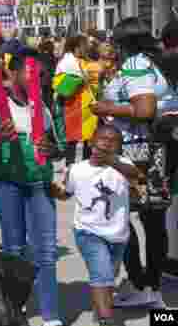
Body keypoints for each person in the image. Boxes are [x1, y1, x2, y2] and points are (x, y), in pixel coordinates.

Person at [0, 48, 66, 326]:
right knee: (14, 248)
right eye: (29, 74)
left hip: (39, 183)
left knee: (46, 250)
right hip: (6, 184)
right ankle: (15, 308)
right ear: (13, 73)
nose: (34, 80)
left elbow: (61, 145)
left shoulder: (47, 107)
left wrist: (53, 150)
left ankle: (51, 315)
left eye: (39, 75)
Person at [91, 18, 173, 308]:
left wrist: (106, 107)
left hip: (138, 154)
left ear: (125, 42)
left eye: (114, 40)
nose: (110, 44)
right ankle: (150, 286)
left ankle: (143, 282)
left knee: (119, 217)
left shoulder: (136, 64)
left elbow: (145, 108)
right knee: (151, 221)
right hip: (150, 152)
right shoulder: (149, 62)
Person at [49, 124, 142, 326]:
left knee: (109, 277)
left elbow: (136, 176)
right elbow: (67, 193)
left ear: (119, 147)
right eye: (103, 138)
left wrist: (112, 161)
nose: (107, 143)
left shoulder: (124, 164)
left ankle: (100, 310)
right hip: (88, 232)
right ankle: (106, 320)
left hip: (119, 234)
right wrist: (56, 191)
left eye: (113, 140)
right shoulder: (77, 169)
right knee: (102, 274)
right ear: (91, 143)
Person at [56, 35, 96, 166]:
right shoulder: (69, 62)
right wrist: (83, 79)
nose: (87, 48)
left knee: (82, 138)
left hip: (79, 104)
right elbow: (65, 86)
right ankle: (72, 166)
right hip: (73, 104)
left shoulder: (74, 60)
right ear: (77, 47)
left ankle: (77, 164)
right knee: (73, 138)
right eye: (85, 46)